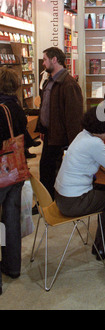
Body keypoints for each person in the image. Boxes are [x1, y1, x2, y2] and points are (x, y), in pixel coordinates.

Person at [55, 105, 105, 258]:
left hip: (63, 197)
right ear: (103, 128)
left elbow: (104, 157)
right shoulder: (94, 143)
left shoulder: (83, 135)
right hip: (74, 201)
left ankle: (102, 242)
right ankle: (104, 245)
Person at [36, 47, 83, 199]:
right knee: (46, 169)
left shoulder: (68, 84)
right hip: (50, 134)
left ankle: (52, 201)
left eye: (44, 59)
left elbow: (74, 117)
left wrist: (73, 144)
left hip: (60, 137)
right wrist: (42, 128)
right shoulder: (50, 81)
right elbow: (46, 107)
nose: (43, 63)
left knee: (51, 170)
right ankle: (48, 200)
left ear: (54, 60)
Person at [0, 67, 31, 290]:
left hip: (2, 172)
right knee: (11, 219)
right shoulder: (16, 107)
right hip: (16, 170)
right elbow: (25, 139)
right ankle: (13, 266)